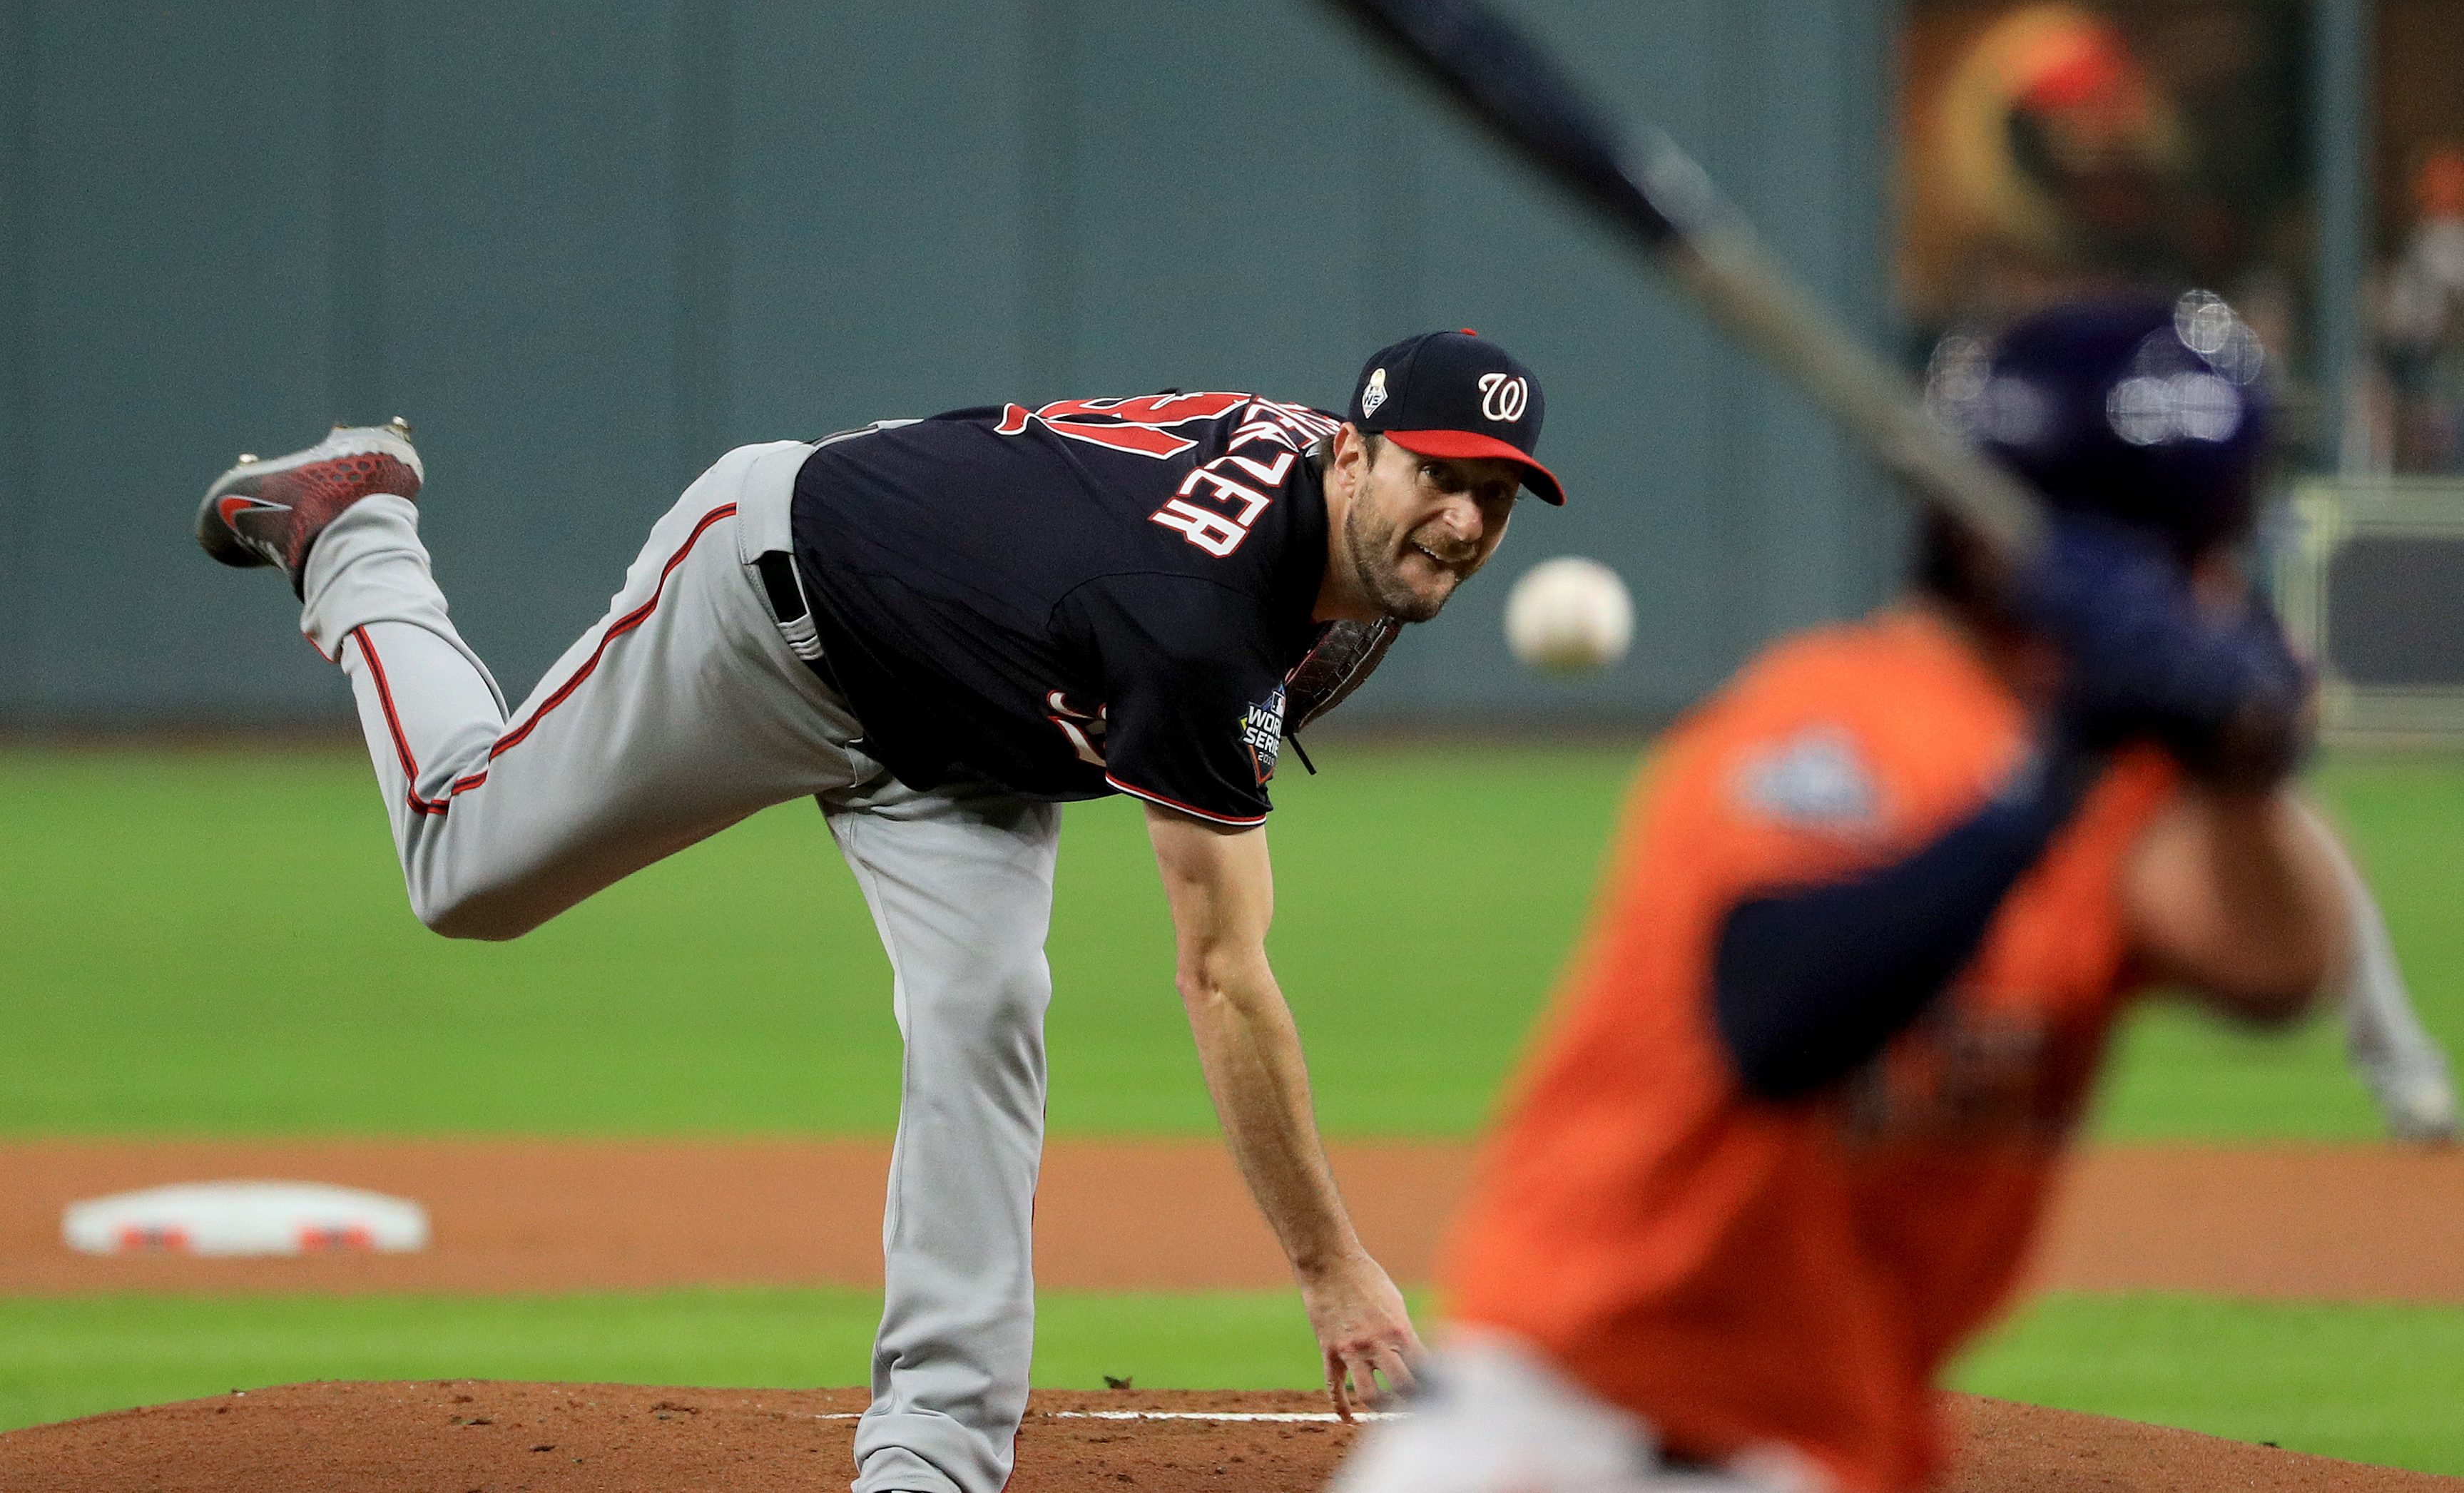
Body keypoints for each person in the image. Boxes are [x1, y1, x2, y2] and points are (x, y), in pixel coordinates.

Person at [192, 329, 1563, 1493]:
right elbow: (1222, 974)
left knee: (988, 1005)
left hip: (967, 732)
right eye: (1438, 474)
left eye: (1496, 496)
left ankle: (932, 1448)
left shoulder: (1312, 526)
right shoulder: (1194, 614)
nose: (1462, 518)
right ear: (1348, 449)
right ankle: (353, 529)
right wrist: (1333, 1268)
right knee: (462, 868)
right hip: (773, 611)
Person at [1331, 295, 2351, 1493]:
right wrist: (2054, 773)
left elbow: (2277, 972)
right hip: (1570, 1435)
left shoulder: (2132, 798)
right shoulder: (1828, 718)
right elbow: (1779, 1011)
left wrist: (2241, 767)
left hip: (1829, 1448)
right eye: (2192, 553)